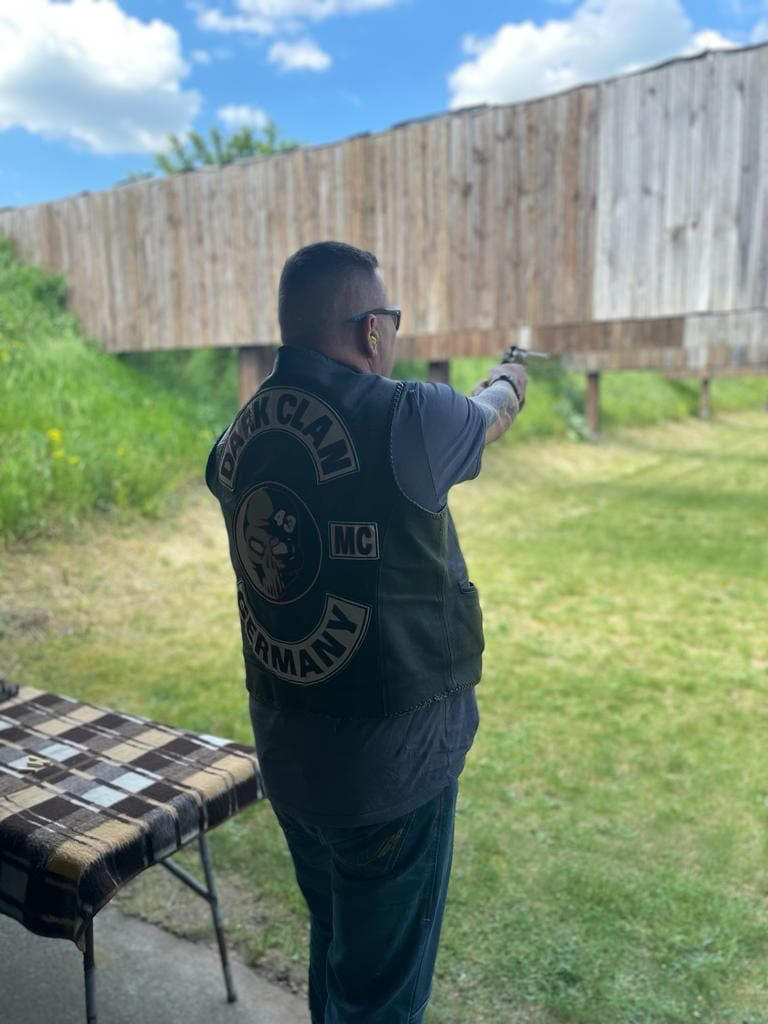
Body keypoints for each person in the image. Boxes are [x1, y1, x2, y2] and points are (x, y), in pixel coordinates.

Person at [205, 241, 527, 1024]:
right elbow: (490, 415)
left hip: (291, 760)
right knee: (381, 997)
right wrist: (513, 375)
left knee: (339, 947)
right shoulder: (411, 415)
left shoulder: (235, 440)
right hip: (391, 775)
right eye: (392, 319)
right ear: (371, 330)